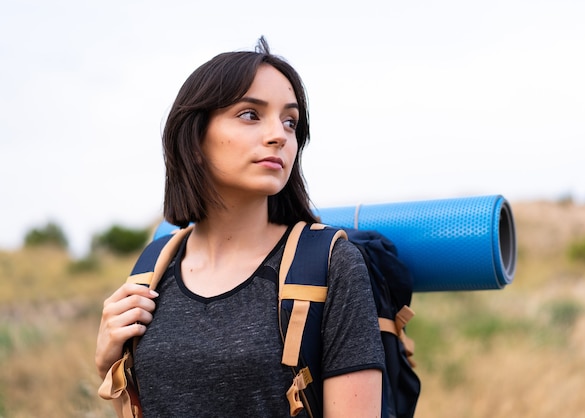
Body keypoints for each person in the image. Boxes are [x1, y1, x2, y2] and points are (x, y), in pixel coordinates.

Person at [95, 37, 385, 417]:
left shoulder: (330, 265)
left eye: (290, 121)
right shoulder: (155, 266)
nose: (279, 135)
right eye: (250, 114)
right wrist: (107, 366)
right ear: (195, 137)